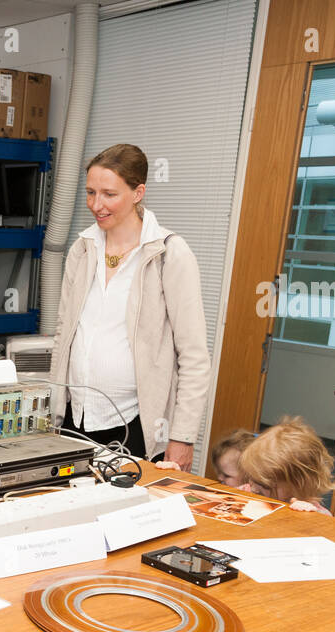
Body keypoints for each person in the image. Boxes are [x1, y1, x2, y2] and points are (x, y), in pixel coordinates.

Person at [48, 144, 209, 470]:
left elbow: (193, 356)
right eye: (90, 193)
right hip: (75, 418)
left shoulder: (169, 254)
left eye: (109, 194)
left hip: (135, 425)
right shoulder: (82, 249)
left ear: (138, 193)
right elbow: (63, 334)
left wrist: (182, 436)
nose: (96, 205)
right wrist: (52, 411)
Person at [238, 416, 335, 513]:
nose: (254, 489)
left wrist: (305, 516)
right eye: (251, 478)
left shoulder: (312, 510)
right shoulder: (248, 490)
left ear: (298, 485)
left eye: (265, 486)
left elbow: (324, 521)